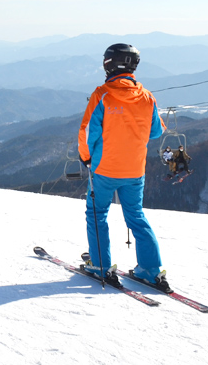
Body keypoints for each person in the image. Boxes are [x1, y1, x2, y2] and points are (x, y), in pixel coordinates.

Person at [78, 43, 169, 291]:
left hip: (104, 170)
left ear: (109, 64)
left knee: (97, 215)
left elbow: (88, 133)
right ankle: (151, 271)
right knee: (136, 217)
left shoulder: (103, 94)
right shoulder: (147, 97)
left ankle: (101, 266)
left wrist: (86, 158)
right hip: (135, 171)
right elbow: (156, 131)